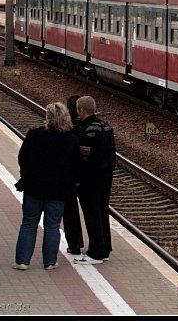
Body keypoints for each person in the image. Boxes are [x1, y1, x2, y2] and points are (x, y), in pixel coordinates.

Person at [14, 101, 78, 271]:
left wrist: (26, 174)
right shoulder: (71, 140)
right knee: (52, 226)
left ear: (48, 117)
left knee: (29, 223)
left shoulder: (34, 135)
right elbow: (76, 166)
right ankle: (49, 262)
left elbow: (22, 158)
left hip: (34, 187)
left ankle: (22, 261)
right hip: (58, 190)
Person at [74, 95, 116, 265]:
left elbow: (84, 158)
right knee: (102, 211)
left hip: (90, 180)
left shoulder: (86, 131)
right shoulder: (106, 127)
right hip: (106, 177)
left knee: (92, 214)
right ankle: (105, 249)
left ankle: (95, 252)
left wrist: (78, 178)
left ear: (81, 110)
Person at [62, 95, 85, 256]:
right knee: (94, 212)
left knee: (69, 213)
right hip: (87, 177)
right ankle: (100, 246)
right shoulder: (91, 128)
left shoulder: (67, 132)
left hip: (68, 179)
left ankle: (75, 245)